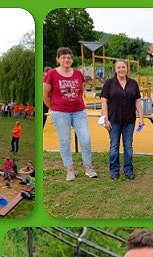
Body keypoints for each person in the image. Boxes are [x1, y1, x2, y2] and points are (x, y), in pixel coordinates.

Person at [43, 47, 97, 181]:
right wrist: (54, 108)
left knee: (86, 139)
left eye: (68, 57)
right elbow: (45, 94)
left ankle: (88, 167)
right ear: (58, 59)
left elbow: (80, 91)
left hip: (79, 111)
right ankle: (70, 169)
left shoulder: (78, 74)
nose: (66, 60)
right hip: (60, 113)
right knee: (65, 141)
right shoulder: (52, 74)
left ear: (71, 59)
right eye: (63, 57)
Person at [99, 59, 142, 180]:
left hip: (129, 120)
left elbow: (137, 101)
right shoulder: (109, 83)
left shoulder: (133, 83)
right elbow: (104, 101)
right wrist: (105, 119)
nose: (121, 70)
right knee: (114, 145)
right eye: (119, 67)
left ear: (127, 68)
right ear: (115, 69)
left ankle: (128, 169)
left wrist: (141, 117)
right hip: (114, 120)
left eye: (123, 67)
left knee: (128, 146)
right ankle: (114, 170)